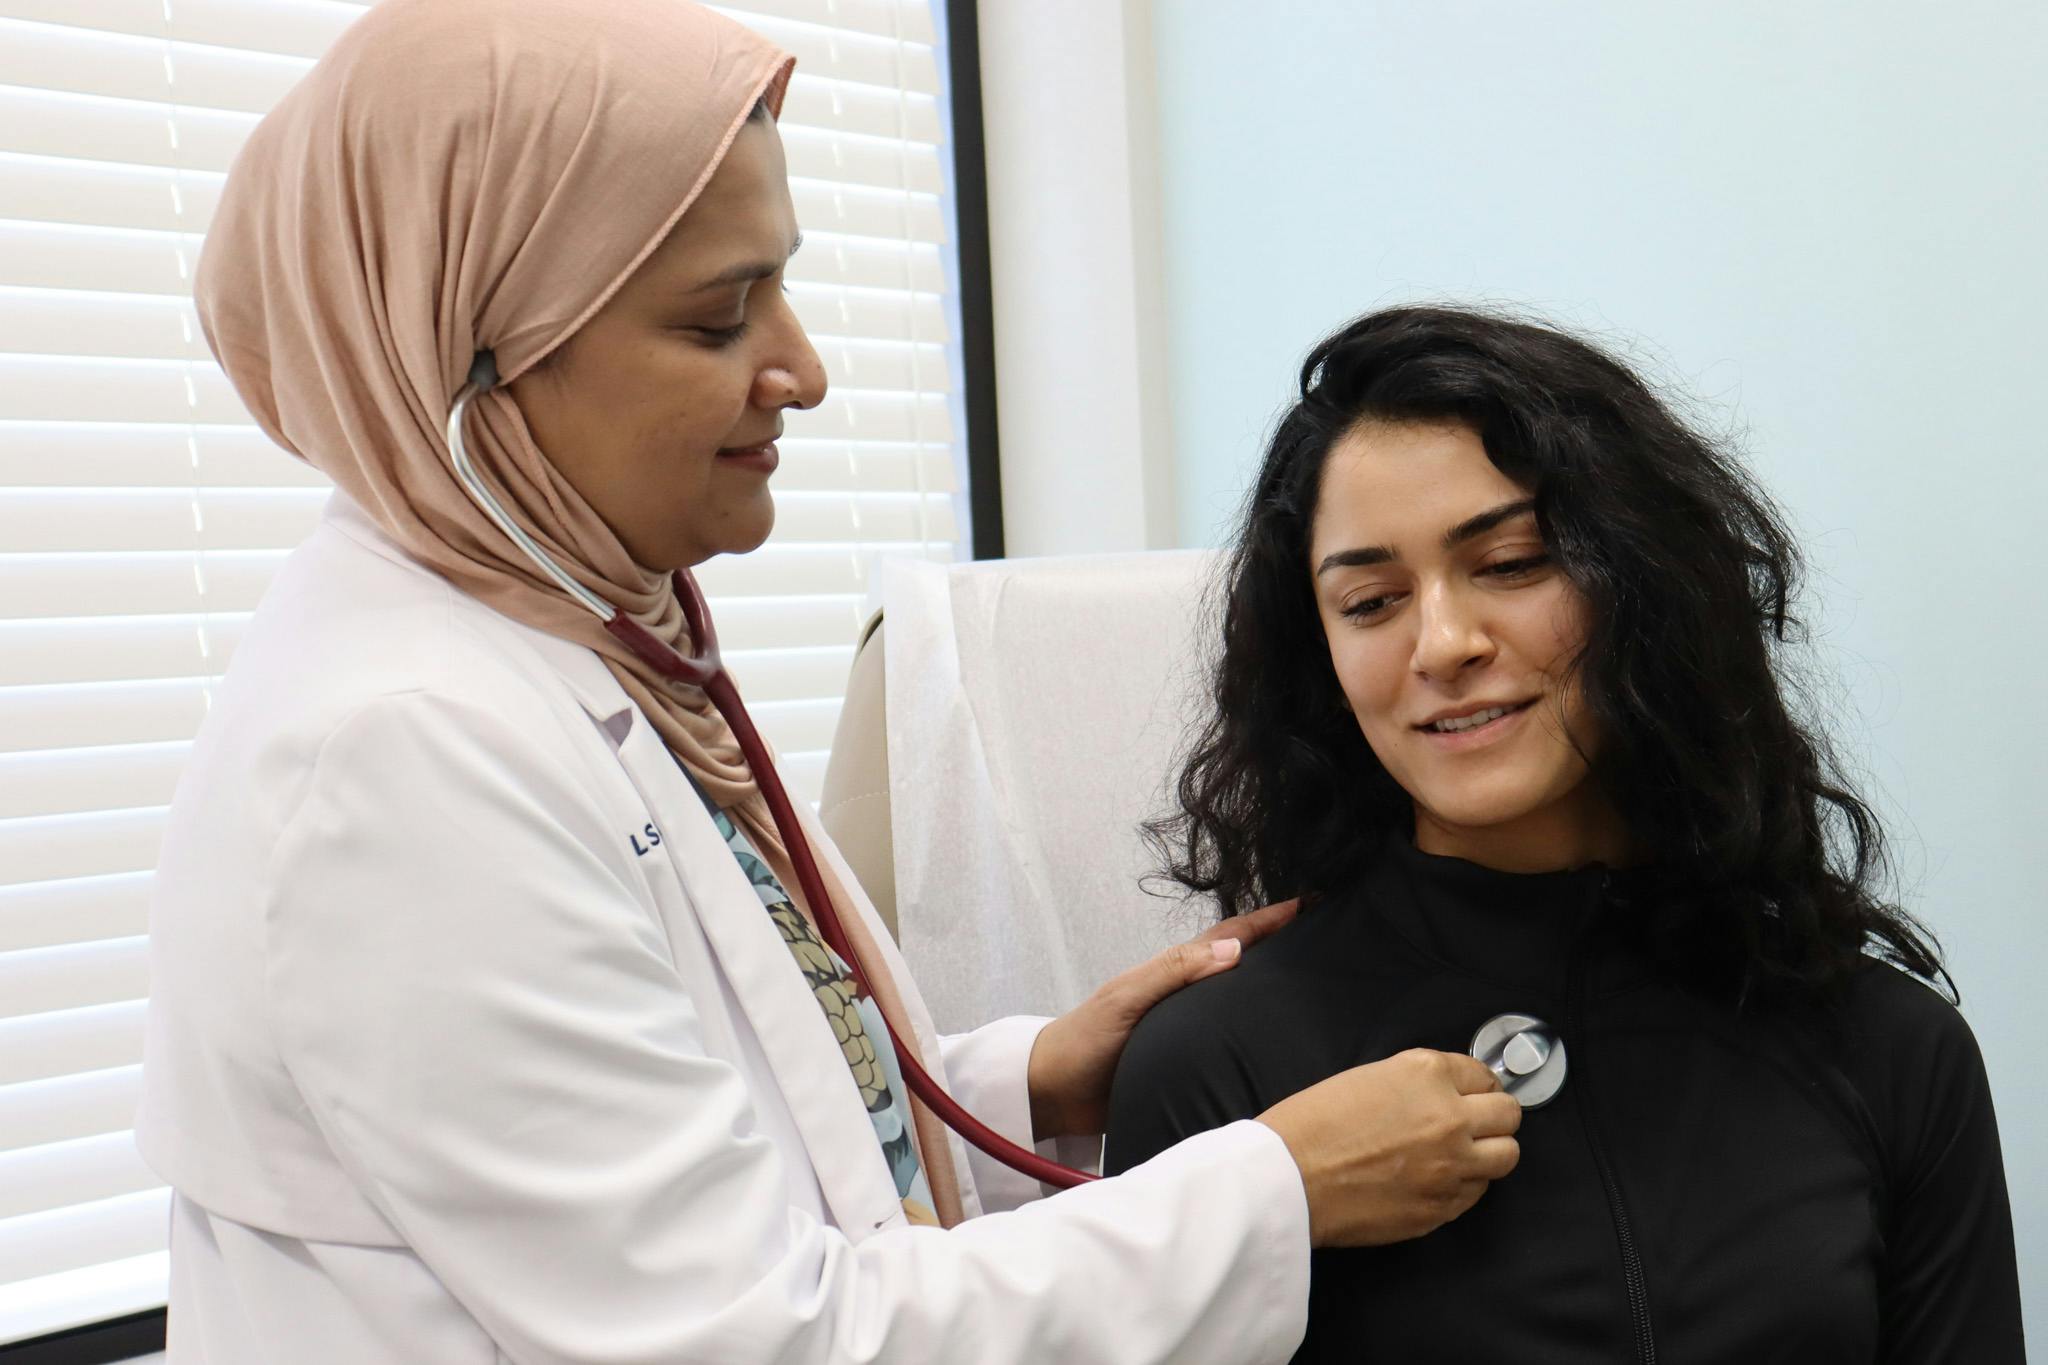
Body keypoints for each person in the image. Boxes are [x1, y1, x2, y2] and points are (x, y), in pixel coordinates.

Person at [133, 5, 1525, 1361]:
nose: (801, 367)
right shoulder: (400, 757)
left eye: (781, 289)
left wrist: (1019, 1081)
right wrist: (1273, 1188)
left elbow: (717, 1107)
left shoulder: (583, 638)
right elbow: (759, 1335)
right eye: (717, 321)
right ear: (473, 361)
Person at [1105, 305, 2026, 1362]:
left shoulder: (1890, 1050)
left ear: (1640, 586)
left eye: (1509, 563)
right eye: (1369, 601)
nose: (1443, 643)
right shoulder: (1217, 1078)